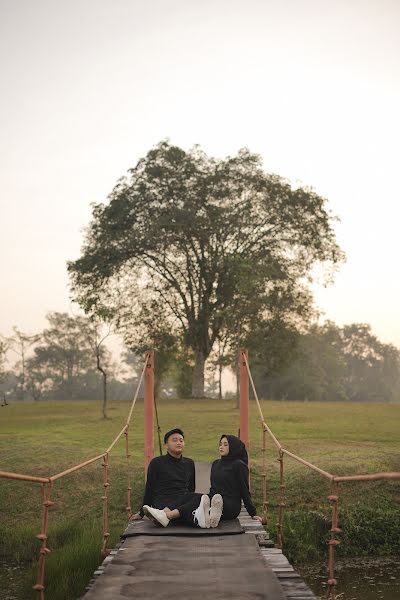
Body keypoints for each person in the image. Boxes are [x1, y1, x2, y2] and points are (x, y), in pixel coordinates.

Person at [130, 428, 216, 528]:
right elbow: (149, 488)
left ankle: (167, 517)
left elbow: (191, 488)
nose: (179, 443)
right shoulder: (157, 463)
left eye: (181, 440)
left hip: (182, 502)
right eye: (174, 440)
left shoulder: (189, 463)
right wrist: (141, 513)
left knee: (205, 498)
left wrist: (188, 501)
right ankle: (193, 517)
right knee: (197, 504)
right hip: (164, 503)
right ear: (166, 445)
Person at [209, 434, 262, 523]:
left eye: (225, 445)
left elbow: (244, 490)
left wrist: (253, 513)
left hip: (230, 506)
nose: (221, 447)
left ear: (233, 447)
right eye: (220, 444)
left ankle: (210, 512)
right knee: (192, 498)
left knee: (208, 504)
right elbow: (213, 488)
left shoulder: (239, 465)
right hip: (214, 500)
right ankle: (210, 515)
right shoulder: (215, 464)